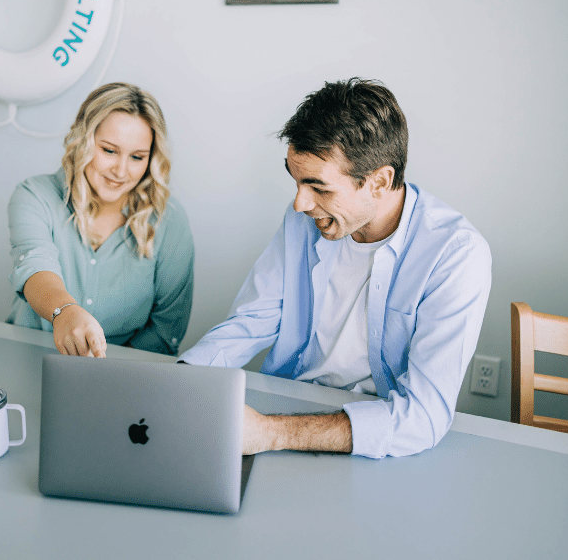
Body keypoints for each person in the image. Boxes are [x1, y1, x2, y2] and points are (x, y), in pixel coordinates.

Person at [179, 78, 492, 458]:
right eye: (295, 182)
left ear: (379, 182)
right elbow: (249, 323)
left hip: (377, 442)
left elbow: (422, 418)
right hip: (288, 409)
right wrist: (182, 380)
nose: (299, 203)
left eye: (318, 187)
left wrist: (271, 434)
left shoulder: (455, 254)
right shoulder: (307, 219)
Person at [7, 82, 194, 357]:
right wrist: (65, 313)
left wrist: (108, 377)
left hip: (125, 375)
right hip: (31, 357)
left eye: (137, 157)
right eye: (108, 150)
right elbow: (35, 267)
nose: (120, 170)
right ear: (83, 141)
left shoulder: (170, 221)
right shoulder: (35, 196)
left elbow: (167, 328)